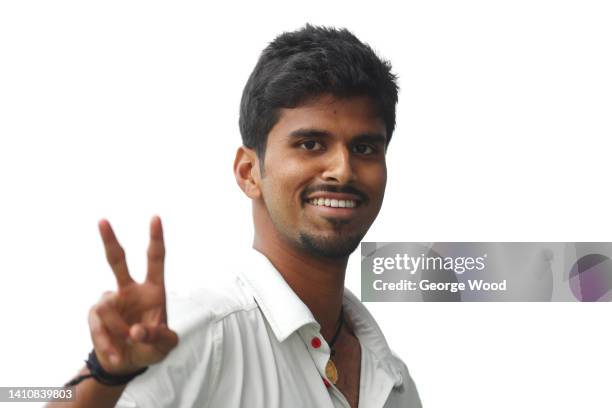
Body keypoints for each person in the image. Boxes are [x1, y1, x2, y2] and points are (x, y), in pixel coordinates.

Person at [49, 24, 422, 408]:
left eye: (363, 148)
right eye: (311, 144)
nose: (342, 170)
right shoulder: (198, 330)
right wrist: (106, 376)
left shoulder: (393, 382)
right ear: (248, 172)